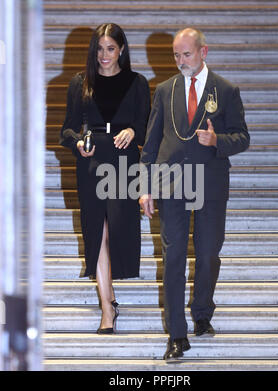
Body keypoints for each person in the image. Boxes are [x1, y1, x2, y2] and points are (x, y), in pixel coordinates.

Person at [139, 28, 250, 360]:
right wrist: (144, 188)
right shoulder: (163, 90)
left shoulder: (226, 91)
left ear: (204, 52)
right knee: (173, 258)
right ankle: (176, 334)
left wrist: (218, 142)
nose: (180, 60)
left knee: (207, 255)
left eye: (186, 54)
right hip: (170, 183)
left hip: (211, 185)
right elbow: (152, 142)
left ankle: (202, 312)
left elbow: (242, 137)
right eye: (176, 54)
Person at [60, 23, 150, 334]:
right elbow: (67, 130)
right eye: (99, 49)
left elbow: (146, 125)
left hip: (124, 161)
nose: (104, 55)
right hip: (92, 160)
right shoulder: (80, 83)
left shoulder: (138, 83)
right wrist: (78, 143)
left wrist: (133, 131)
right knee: (97, 232)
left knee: (116, 229)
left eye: (110, 48)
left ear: (121, 49)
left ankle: (110, 301)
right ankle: (107, 307)